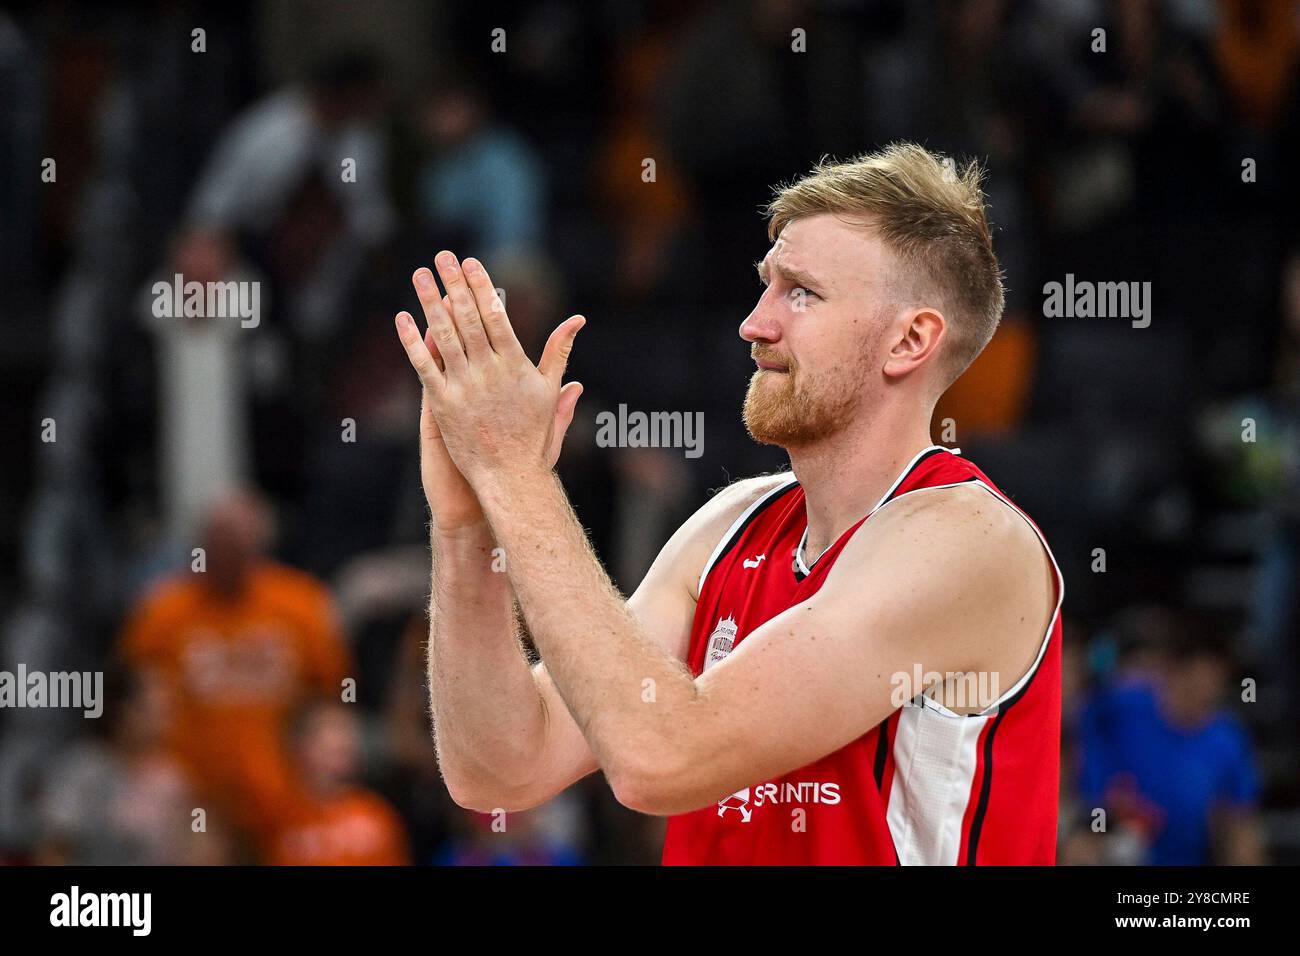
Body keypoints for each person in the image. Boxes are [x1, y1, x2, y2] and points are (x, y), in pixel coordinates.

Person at [393, 143, 1063, 865]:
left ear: (909, 340)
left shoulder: (967, 542)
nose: (754, 323)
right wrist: (468, 521)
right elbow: (499, 770)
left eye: (800, 293)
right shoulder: (729, 524)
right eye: (764, 285)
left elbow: (661, 757)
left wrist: (520, 477)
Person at [119, 490, 353, 853]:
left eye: (240, 547)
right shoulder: (164, 612)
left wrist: (319, 773)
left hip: (284, 796)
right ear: (202, 547)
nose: (228, 559)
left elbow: (329, 699)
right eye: (220, 547)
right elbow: (129, 700)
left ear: (260, 547)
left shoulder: (300, 604)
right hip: (193, 800)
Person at [265, 699, 409, 866]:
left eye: (347, 730)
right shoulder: (276, 819)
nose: (344, 740)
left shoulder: (377, 814)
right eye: (331, 729)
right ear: (300, 745)